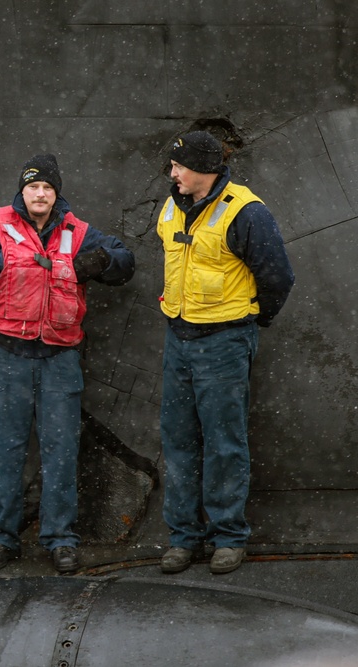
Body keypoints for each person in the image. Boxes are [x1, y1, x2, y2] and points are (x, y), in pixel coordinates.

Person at [0, 154, 135, 574]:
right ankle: (1, 539)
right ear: (22, 191)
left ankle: (60, 539)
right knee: (4, 452)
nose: (40, 194)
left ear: (57, 194)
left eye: (48, 188)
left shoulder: (78, 231)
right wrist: (4, 262)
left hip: (59, 357)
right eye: (33, 187)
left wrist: (101, 261)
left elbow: (124, 261)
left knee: (61, 452)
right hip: (6, 355)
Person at [156, 131, 294, 575]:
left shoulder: (245, 212)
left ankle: (228, 537)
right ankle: (183, 538)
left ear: (203, 170)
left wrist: (250, 323)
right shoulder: (171, 206)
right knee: (178, 442)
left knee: (223, 443)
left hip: (224, 342)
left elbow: (277, 277)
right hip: (178, 339)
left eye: (179, 166)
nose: (172, 172)